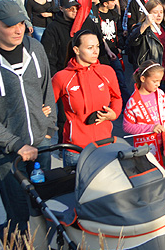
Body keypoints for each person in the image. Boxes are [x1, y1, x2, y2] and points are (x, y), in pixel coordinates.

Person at [0, 0, 56, 237]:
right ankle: (16, 248)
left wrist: (49, 128)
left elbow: (47, 90)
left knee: (43, 206)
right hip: (7, 152)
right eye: (9, 25)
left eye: (21, 23)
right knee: (19, 213)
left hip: (40, 143)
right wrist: (15, 144)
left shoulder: (35, 48)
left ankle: (42, 249)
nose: (18, 30)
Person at [51, 30, 122, 166]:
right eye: (90, 48)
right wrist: (47, 130)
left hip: (104, 146)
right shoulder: (62, 77)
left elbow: (117, 98)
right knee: (75, 181)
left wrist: (114, 114)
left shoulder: (107, 71)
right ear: (76, 50)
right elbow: (46, 104)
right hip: (76, 150)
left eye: (97, 46)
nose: (95, 51)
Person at [127, 0, 165, 124]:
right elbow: (131, 43)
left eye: (161, 12)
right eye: (155, 12)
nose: (159, 15)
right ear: (148, 13)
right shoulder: (142, 29)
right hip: (152, 81)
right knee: (155, 118)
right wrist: (145, 25)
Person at [123, 60, 165, 136]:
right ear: (143, 79)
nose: (158, 84)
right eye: (155, 81)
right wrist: (151, 128)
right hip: (146, 142)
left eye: (160, 81)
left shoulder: (160, 94)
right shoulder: (133, 102)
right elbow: (127, 126)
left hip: (163, 139)